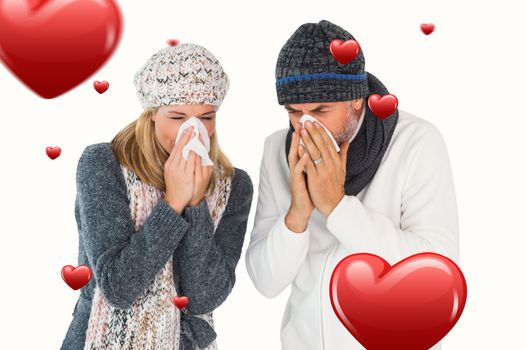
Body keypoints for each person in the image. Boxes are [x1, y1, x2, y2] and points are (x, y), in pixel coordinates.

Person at [245, 20, 459, 350]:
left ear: (356, 100)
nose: (306, 126)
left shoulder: (416, 142)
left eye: (320, 110)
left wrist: (337, 207)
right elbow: (266, 281)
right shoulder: (278, 149)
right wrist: (297, 216)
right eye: (293, 112)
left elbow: (437, 273)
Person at [61, 42, 253, 350]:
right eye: (177, 117)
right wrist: (173, 202)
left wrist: (196, 204)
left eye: (206, 117)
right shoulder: (101, 164)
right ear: (152, 114)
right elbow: (118, 287)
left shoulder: (234, 185)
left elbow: (204, 297)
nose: (192, 133)